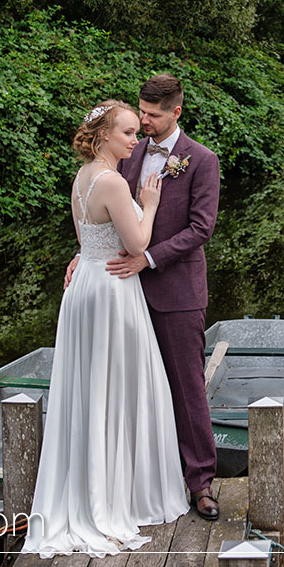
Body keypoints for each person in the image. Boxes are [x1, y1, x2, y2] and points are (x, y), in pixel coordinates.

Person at [24, 100, 189, 557]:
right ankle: (115, 496)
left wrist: (84, 256)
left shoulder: (82, 177)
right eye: (129, 133)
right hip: (114, 292)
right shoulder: (114, 181)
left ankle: (92, 482)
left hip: (86, 289)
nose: (136, 140)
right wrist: (149, 204)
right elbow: (137, 242)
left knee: (93, 388)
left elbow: (86, 240)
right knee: (121, 386)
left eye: (137, 132)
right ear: (103, 137)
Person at [65, 74, 222, 521]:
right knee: (132, 386)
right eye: (140, 114)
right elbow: (103, 213)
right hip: (119, 293)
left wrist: (147, 259)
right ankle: (137, 481)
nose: (145, 123)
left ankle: (201, 482)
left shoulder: (202, 160)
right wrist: (84, 254)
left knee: (186, 387)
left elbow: (200, 229)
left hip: (173, 290)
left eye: (152, 115)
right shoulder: (126, 153)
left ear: (175, 112)